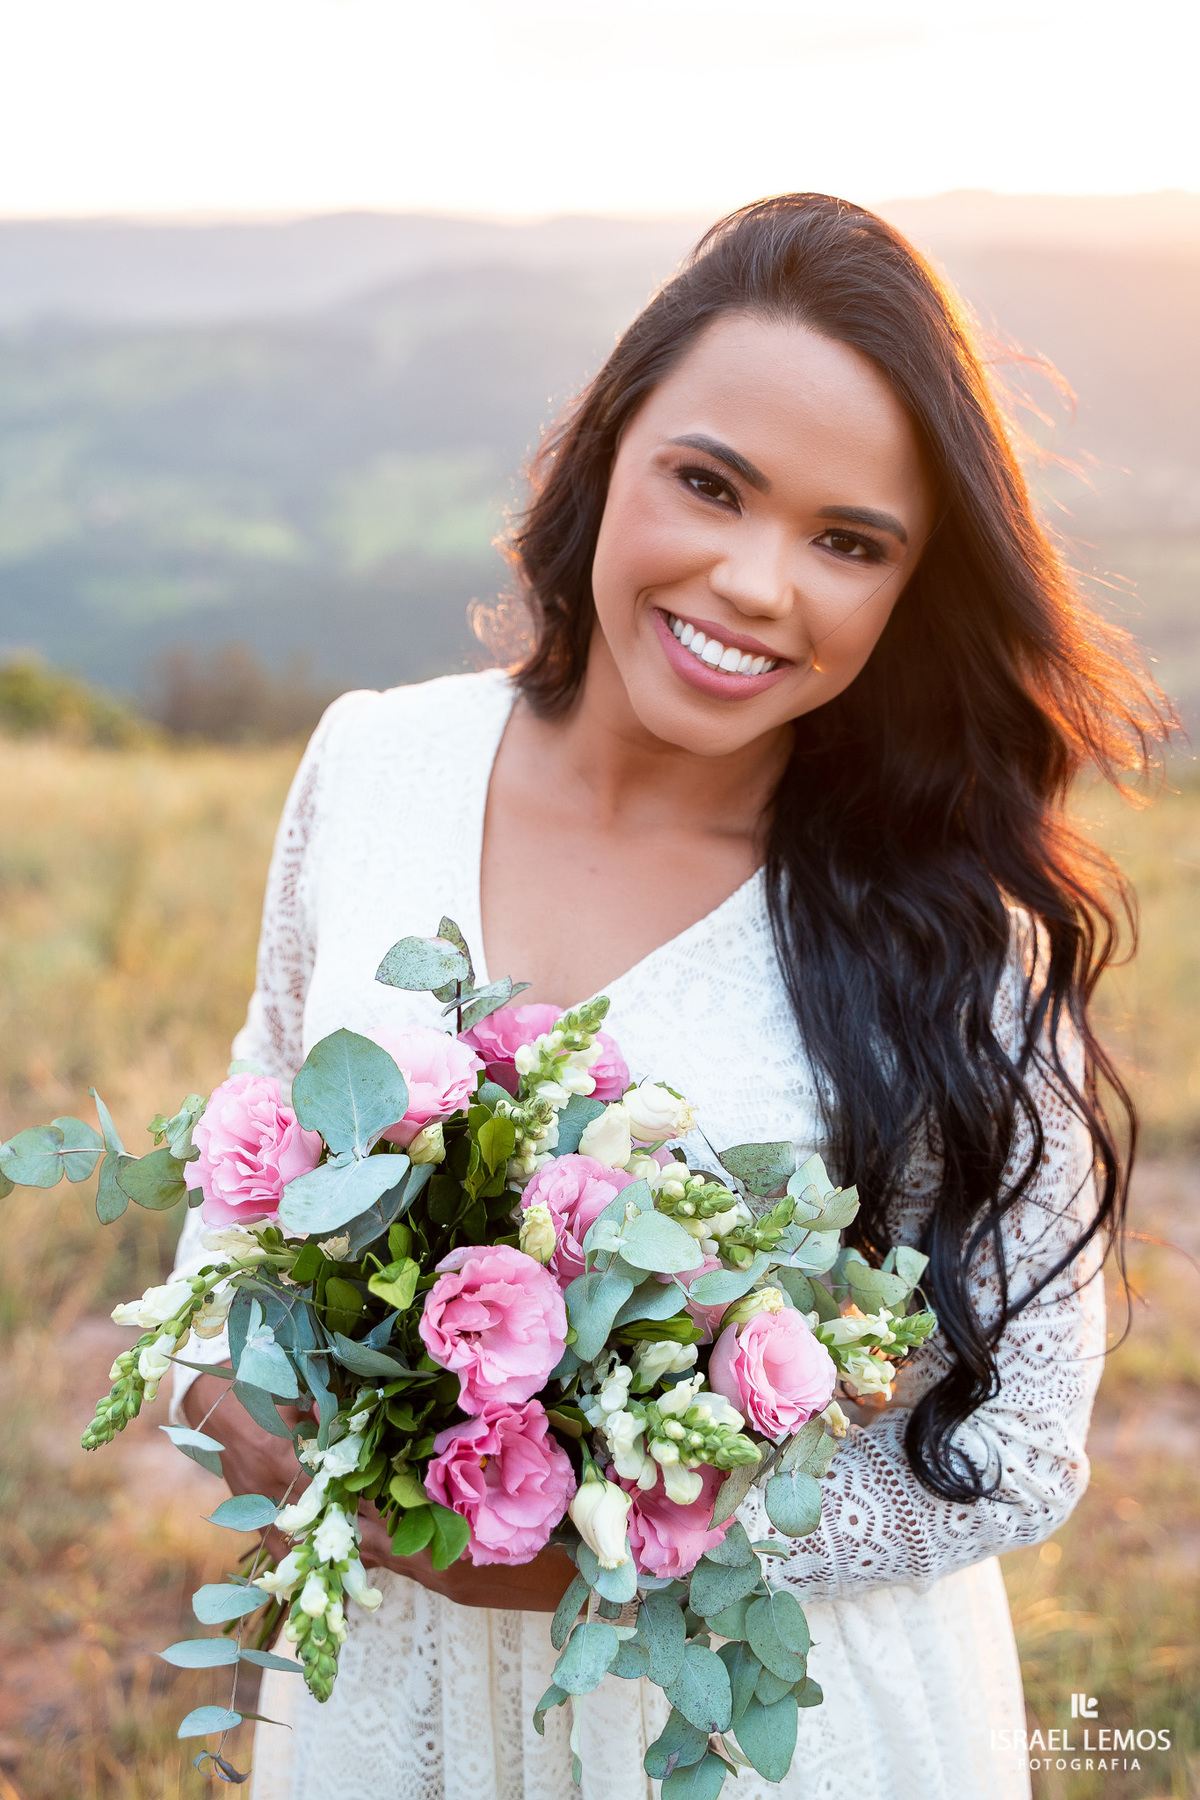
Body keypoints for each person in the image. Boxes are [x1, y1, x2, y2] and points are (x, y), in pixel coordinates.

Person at [173, 193, 1161, 1800]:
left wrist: (633, 1540)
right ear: (607, 450)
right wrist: (231, 1383)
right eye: (710, 484)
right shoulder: (375, 762)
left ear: (912, 590)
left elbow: (1019, 1444)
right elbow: (253, 1138)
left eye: (849, 543)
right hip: (400, 1708)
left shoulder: (950, 938)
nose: (756, 582)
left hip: (755, 1727)